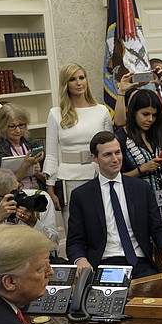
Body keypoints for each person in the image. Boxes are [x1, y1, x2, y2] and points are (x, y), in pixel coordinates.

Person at [66, 131, 162, 278]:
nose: (115, 159)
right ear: (94, 158)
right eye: (107, 155)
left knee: (159, 297)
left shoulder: (141, 188)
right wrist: (80, 259)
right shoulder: (81, 195)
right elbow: (74, 242)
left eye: (117, 152)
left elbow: (157, 228)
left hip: (140, 264)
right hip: (105, 266)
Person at [44, 63, 112, 227]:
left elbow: (110, 148)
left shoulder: (101, 111)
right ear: (65, 84)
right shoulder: (55, 113)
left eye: (82, 78)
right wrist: (50, 188)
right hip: (69, 180)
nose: (79, 83)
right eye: (72, 79)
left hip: (99, 175)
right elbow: (51, 154)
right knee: (75, 228)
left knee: (103, 226)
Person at [114, 89, 162, 239]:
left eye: (154, 115)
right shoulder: (121, 138)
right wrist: (142, 169)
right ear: (133, 112)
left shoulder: (159, 134)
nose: (150, 119)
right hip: (138, 203)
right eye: (145, 114)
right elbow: (115, 178)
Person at [0, 168, 57, 247]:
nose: (19, 195)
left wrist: (34, 223)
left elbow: (53, 243)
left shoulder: (39, 199)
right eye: (12, 194)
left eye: (19, 188)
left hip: (35, 256)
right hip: (2, 259)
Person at [0, 104, 45, 191]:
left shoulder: (33, 144)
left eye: (21, 125)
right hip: (14, 195)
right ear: (2, 126)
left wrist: (37, 173)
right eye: (12, 127)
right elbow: (2, 186)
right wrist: (26, 167)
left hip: (39, 192)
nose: (18, 130)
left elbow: (47, 180)